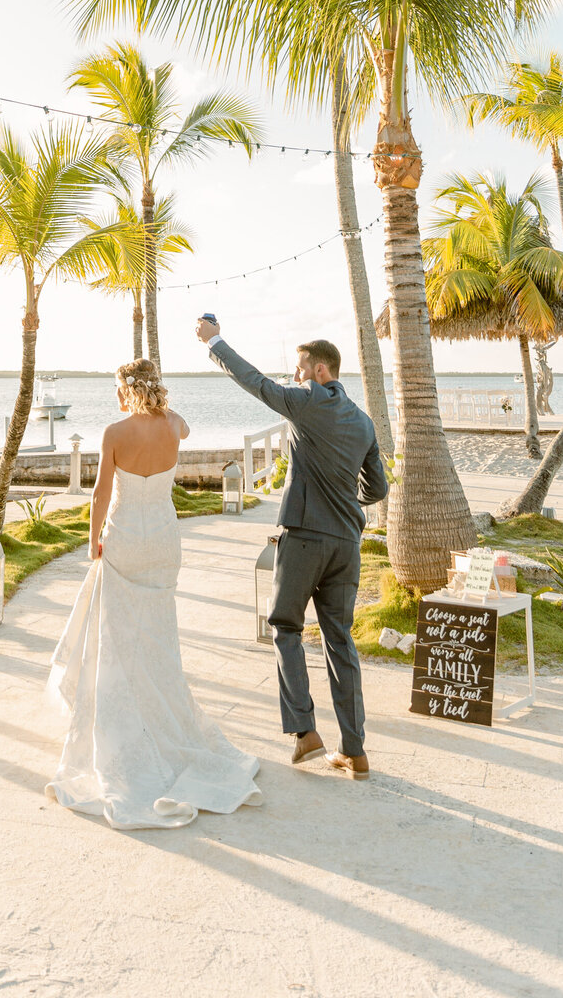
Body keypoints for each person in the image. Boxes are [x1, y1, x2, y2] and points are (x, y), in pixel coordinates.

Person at [46, 356, 263, 830]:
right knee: (159, 639)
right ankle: (166, 720)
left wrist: (92, 540)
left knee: (118, 638)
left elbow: (102, 492)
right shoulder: (174, 427)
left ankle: (128, 730)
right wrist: (166, 406)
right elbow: (183, 424)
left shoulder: (113, 433)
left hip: (124, 537)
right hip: (164, 540)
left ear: (125, 390)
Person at [197, 316, 388, 779]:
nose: (295, 376)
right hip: (347, 542)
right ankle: (355, 752)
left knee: (284, 626)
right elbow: (377, 488)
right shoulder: (362, 421)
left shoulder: (305, 402)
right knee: (340, 642)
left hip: (303, 538)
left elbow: (255, 382)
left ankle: (305, 731)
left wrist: (215, 341)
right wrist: (345, 501)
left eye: (301, 369)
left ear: (321, 371)